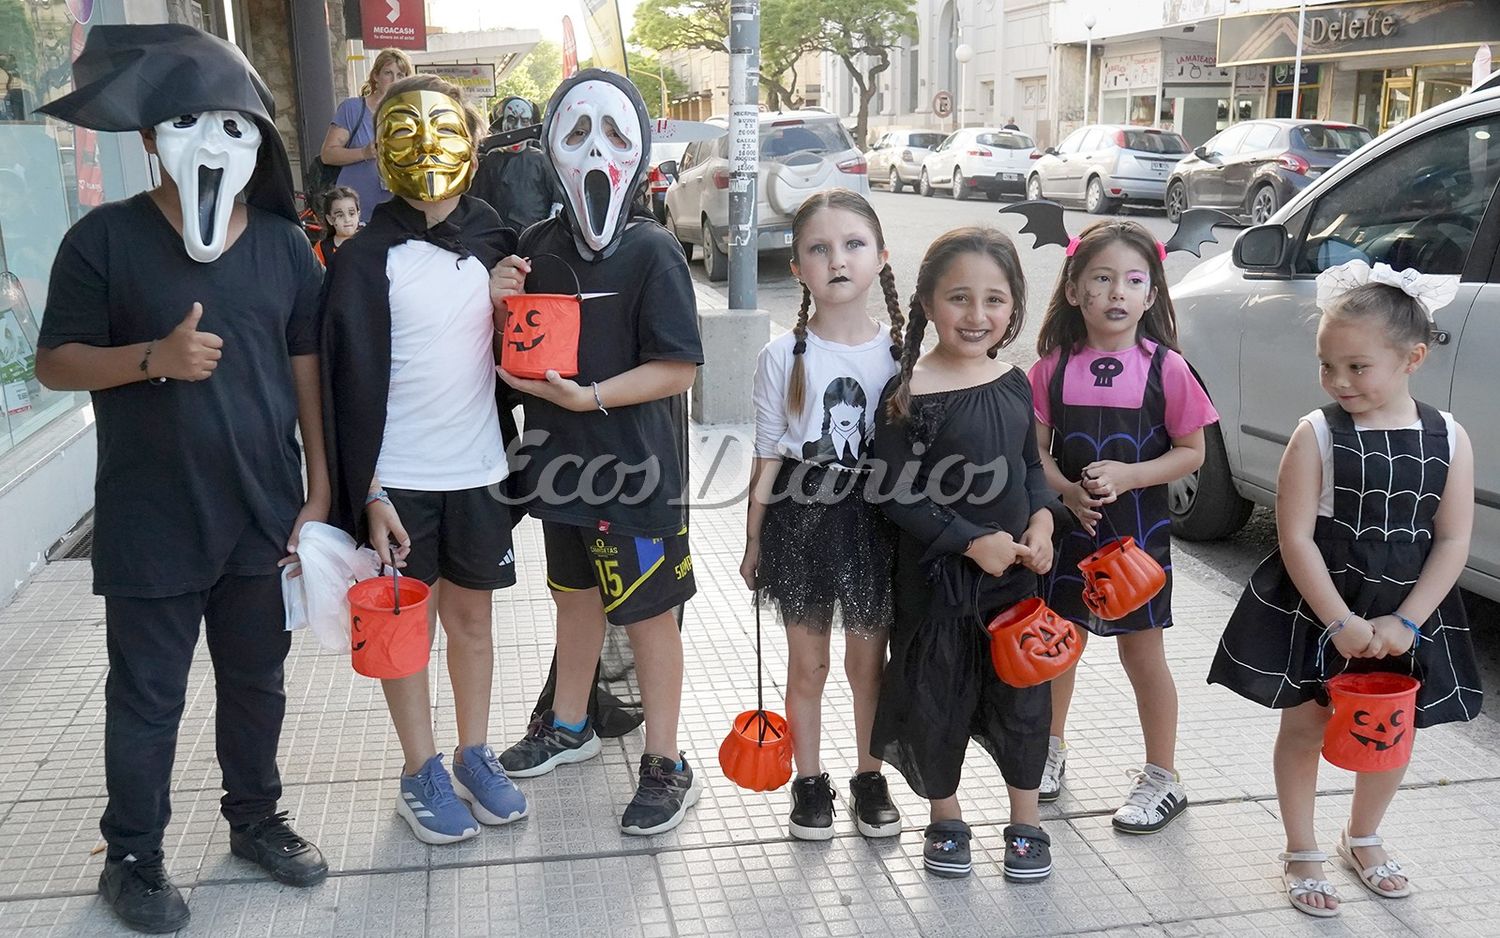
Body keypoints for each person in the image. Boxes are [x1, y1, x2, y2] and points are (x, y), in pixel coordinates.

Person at [32, 24, 328, 933]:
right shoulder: (102, 241)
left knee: (256, 682)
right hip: (151, 515)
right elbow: (54, 364)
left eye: (234, 125)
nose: (213, 142)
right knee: (147, 697)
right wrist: (151, 358)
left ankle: (256, 818)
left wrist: (318, 491)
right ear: (153, 135)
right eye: (191, 120)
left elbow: (307, 366)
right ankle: (132, 857)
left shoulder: (284, 244)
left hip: (259, 509)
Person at [1208, 260, 1482, 917]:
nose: (1338, 381)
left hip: (1404, 616)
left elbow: (1451, 540)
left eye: (1358, 367)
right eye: (1328, 365)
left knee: (1392, 731)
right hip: (1322, 607)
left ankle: (1363, 837)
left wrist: (1409, 622)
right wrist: (1337, 620)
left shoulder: (1449, 437)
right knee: (1305, 727)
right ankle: (1300, 847)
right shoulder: (1318, 434)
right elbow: (1295, 537)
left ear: (1412, 358)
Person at [489, 69, 704, 836]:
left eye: (613, 134)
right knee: (573, 601)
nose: (594, 152)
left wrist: (596, 395)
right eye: (577, 134)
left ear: (639, 149)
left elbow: (679, 366)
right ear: (549, 148)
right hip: (560, 470)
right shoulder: (536, 248)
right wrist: (497, 295)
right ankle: (570, 723)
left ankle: (667, 762)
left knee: (651, 619)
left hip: (636, 476)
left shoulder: (653, 252)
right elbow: (513, 352)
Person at [320, 74, 527, 845]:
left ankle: (474, 754)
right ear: (381, 147)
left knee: (474, 618)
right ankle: (421, 768)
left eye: (444, 130)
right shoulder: (364, 256)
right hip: (398, 478)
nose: (427, 147)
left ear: (471, 140)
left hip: (478, 470)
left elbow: (521, 362)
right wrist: (365, 488)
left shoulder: (497, 241)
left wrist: (510, 306)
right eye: (403, 131)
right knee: (411, 628)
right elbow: (346, 382)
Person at [870, 227, 1059, 881]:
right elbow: (894, 494)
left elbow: (1030, 467)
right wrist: (969, 541)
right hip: (937, 586)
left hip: (1015, 586)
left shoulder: (1014, 380)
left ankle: (1026, 821)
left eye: (994, 300)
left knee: (1023, 699)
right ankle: (945, 817)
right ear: (925, 301)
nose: (977, 316)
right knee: (936, 698)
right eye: (959, 298)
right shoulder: (907, 393)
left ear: (1014, 307)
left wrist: (1042, 522)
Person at [1027, 219, 1216, 835]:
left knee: (1144, 653)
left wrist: (1133, 476)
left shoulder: (1168, 369)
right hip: (1069, 534)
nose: (1117, 293)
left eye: (1133, 281)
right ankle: (1049, 748)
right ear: (1075, 290)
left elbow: (1192, 452)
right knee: (1059, 645)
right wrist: (1065, 493)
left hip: (1138, 540)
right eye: (1102, 279)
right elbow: (1039, 456)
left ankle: (1163, 774)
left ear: (1152, 294)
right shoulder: (1051, 369)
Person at [742, 189, 904, 841]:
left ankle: (870, 775)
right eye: (819, 248)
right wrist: (752, 541)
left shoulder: (902, 353)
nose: (838, 259)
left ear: (881, 258)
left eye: (853, 244)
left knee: (869, 665)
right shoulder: (781, 357)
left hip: (877, 526)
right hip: (801, 527)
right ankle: (810, 782)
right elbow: (767, 453)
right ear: (798, 268)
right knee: (807, 664)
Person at [319, 48, 411, 222]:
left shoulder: (409, 115)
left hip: (394, 206)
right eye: (388, 73)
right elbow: (327, 154)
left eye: (401, 75)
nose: (394, 80)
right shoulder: (353, 108)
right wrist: (363, 153)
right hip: (354, 210)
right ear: (376, 76)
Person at [471, 96, 562, 233]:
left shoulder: (542, 160)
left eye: (525, 121)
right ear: (501, 123)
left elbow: (558, 201)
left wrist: (548, 232)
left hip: (535, 238)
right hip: (498, 239)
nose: (518, 127)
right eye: (512, 120)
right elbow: (476, 204)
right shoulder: (488, 162)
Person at [313, 185, 360, 266]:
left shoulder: (369, 242)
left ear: (358, 215)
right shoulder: (322, 248)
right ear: (330, 219)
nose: (347, 219)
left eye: (351, 213)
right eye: (340, 215)